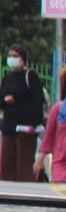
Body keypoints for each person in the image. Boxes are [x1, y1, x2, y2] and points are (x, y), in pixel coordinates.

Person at [1, 44, 46, 182]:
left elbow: (38, 102)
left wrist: (33, 123)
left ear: (23, 59)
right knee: (6, 167)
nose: (12, 59)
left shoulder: (30, 76)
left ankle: (26, 197)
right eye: (10, 56)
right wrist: (5, 101)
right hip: (9, 128)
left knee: (24, 168)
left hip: (26, 129)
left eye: (15, 56)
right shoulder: (7, 77)